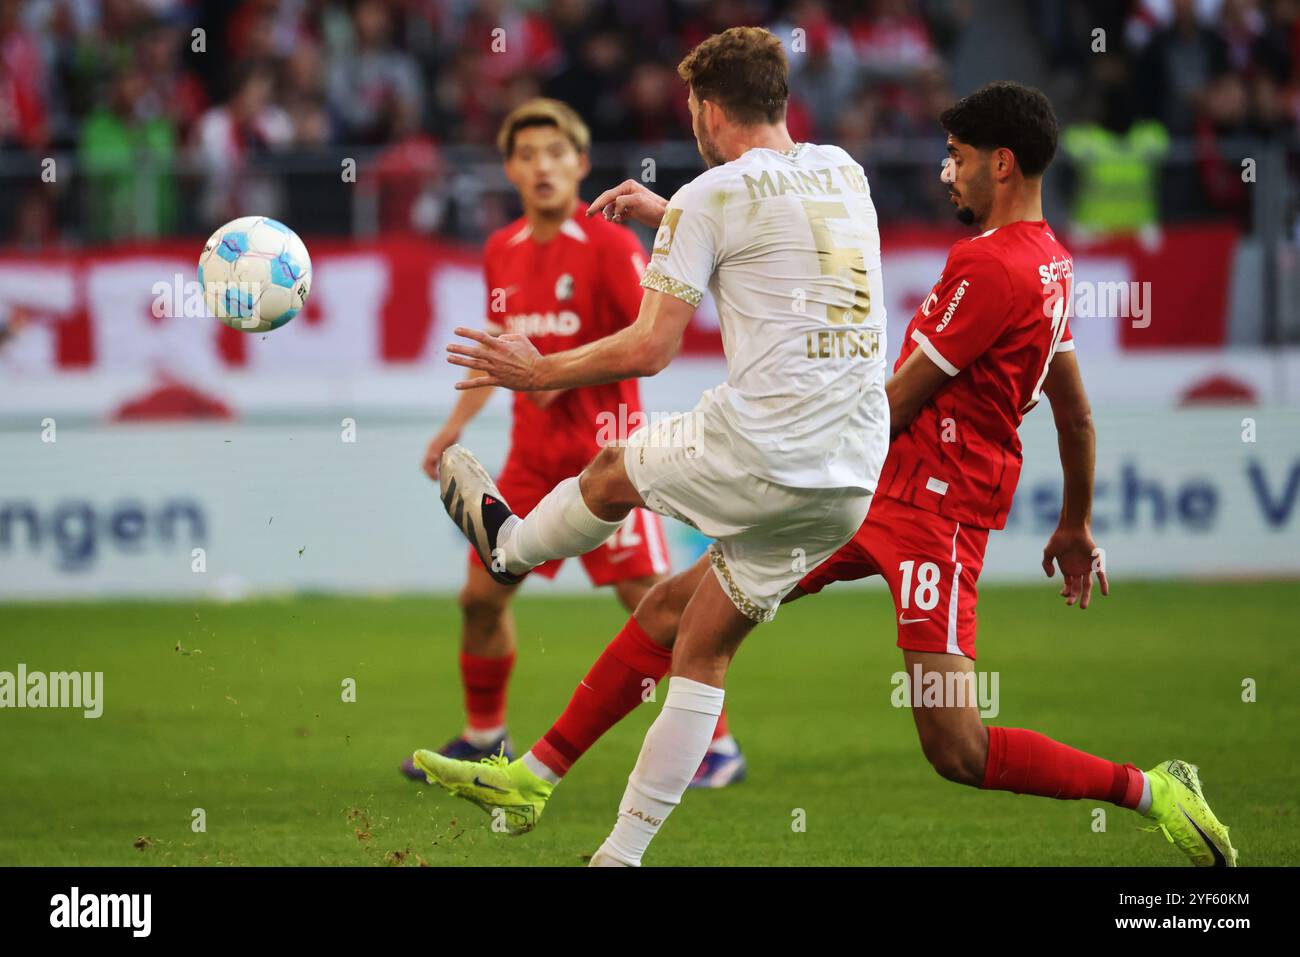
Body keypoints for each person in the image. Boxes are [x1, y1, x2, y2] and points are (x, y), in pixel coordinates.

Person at [416, 80, 1238, 869]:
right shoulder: (1050, 265)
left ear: (1002, 164)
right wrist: (1075, 521)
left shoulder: (989, 270)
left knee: (957, 746)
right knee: (678, 612)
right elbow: (1076, 412)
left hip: (930, 508)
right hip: (869, 485)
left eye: (956, 155)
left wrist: (795, 435)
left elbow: (894, 399)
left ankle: (1151, 788)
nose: (944, 171)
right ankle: (544, 782)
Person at [415, 26, 889, 861]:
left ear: (708, 110)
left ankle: (512, 544)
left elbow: (650, 346)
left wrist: (540, 370)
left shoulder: (713, 191)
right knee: (688, 630)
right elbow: (778, 238)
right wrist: (671, 217)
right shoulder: (843, 171)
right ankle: (595, 834)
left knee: (608, 470)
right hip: (849, 476)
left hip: (762, 445)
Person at [401, 97, 744, 789]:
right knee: (479, 598)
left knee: (657, 601)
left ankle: (718, 746)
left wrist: (560, 369)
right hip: (529, 461)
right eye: (527, 155)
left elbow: (653, 342)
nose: (542, 166)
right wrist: (455, 424)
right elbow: (502, 354)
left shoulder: (613, 245)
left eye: (555, 153)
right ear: (510, 169)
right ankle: (483, 734)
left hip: (607, 458)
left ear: (581, 164)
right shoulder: (501, 250)